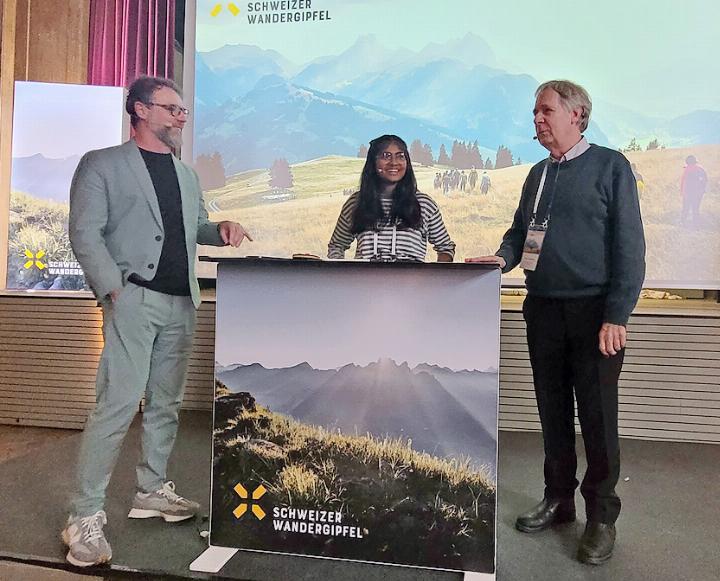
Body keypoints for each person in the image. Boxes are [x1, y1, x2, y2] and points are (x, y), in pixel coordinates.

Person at [64, 76, 251, 567]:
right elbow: (85, 232)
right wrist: (114, 290)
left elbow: (193, 229)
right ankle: (84, 515)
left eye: (184, 110)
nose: (181, 118)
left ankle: (150, 490)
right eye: (172, 108)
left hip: (181, 301)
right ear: (141, 110)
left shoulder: (187, 175)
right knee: (117, 405)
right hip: (133, 299)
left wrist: (220, 228)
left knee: (165, 404)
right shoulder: (102, 164)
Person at [467, 80, 645, 565]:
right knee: (552, 410)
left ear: (577, 115)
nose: (537, 120)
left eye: (546, 111)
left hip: (593, 315)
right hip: (542, 307)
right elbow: (520, 234)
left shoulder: (611, 166)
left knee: (598, 418)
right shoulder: (537, 175)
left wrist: (617, 314)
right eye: (535, 113)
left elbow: (630, 247)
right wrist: (501, 260)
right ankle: (559, 499)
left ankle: (602, 518)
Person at [327, 134, 455, 262]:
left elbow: (446, 247)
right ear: (373, 162)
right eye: (386, 156)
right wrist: (341, 277)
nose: (394, 163)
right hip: (365, 281)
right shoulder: (356, 202)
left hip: (412, 281)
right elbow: (337, 245)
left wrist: (435, 279)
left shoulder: (424, 204)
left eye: (400, 156)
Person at [680, 155, 707, 226]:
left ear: (687, 162)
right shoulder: (701, 169)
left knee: (685, 209)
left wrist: (683, 193)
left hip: (688, 194)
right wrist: (702, 190)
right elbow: (705, 180)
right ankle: (696, 225)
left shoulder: (687, 169)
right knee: (695, 210)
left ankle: (683, 224)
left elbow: (683, 182)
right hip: (698, 194)